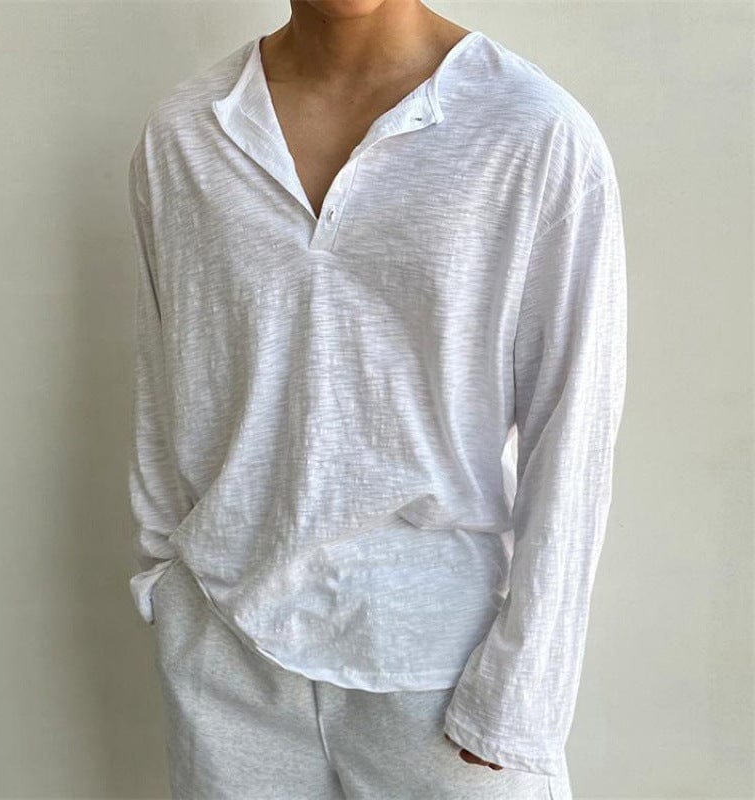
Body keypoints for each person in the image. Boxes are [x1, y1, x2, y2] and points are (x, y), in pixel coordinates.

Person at [125, 1, 627, 797]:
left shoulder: (532, 132)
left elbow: (574, 430)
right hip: (225, 657)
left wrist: (524, 695)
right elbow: (167, 374)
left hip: (445, 672)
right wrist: (166, 585)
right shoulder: (189, 133)